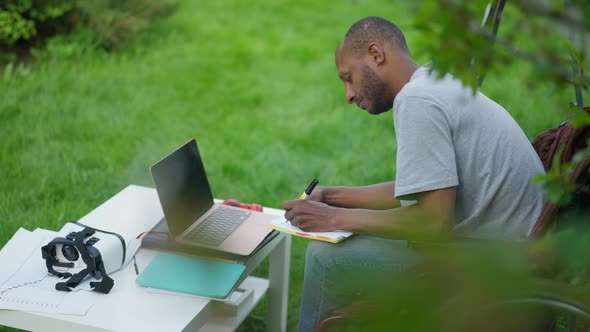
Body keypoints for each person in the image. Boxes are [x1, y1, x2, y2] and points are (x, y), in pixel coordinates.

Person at [281, 16, 545, 331]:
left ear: (376, 55)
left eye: (348, 77)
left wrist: (332, 219)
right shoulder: (436, 81)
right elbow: (429, 185)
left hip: (497, 264)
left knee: (325, 255)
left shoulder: (417, 100)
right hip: (517, 247)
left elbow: (432, 223)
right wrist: (332, 197)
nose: (348, 95)